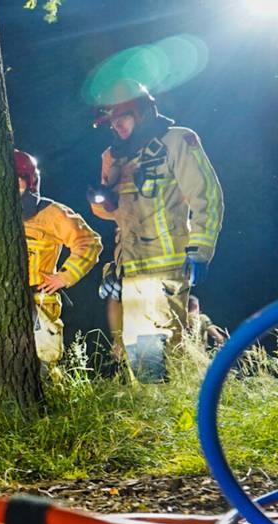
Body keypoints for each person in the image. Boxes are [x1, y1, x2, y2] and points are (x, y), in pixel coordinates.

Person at [89, 83, 224, 382]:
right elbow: (118, 217)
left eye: (120, 117)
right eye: (110, 121)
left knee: (169, 350)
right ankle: (156, 415)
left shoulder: (177, 141)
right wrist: (103, 204)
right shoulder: (112, 157)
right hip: (132, 272)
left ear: (140, 111)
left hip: (168, 266)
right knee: (140, 355)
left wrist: (200, 250)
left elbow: (207, 196)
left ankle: (186, 412)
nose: (115, 126)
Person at [14, 150, 103, 366]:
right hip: (5, 303)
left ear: (29, 181)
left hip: (40, 302)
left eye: (15, 180)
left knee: (44, 365)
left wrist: (65, 276)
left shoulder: (50, 212)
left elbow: (89, 241)